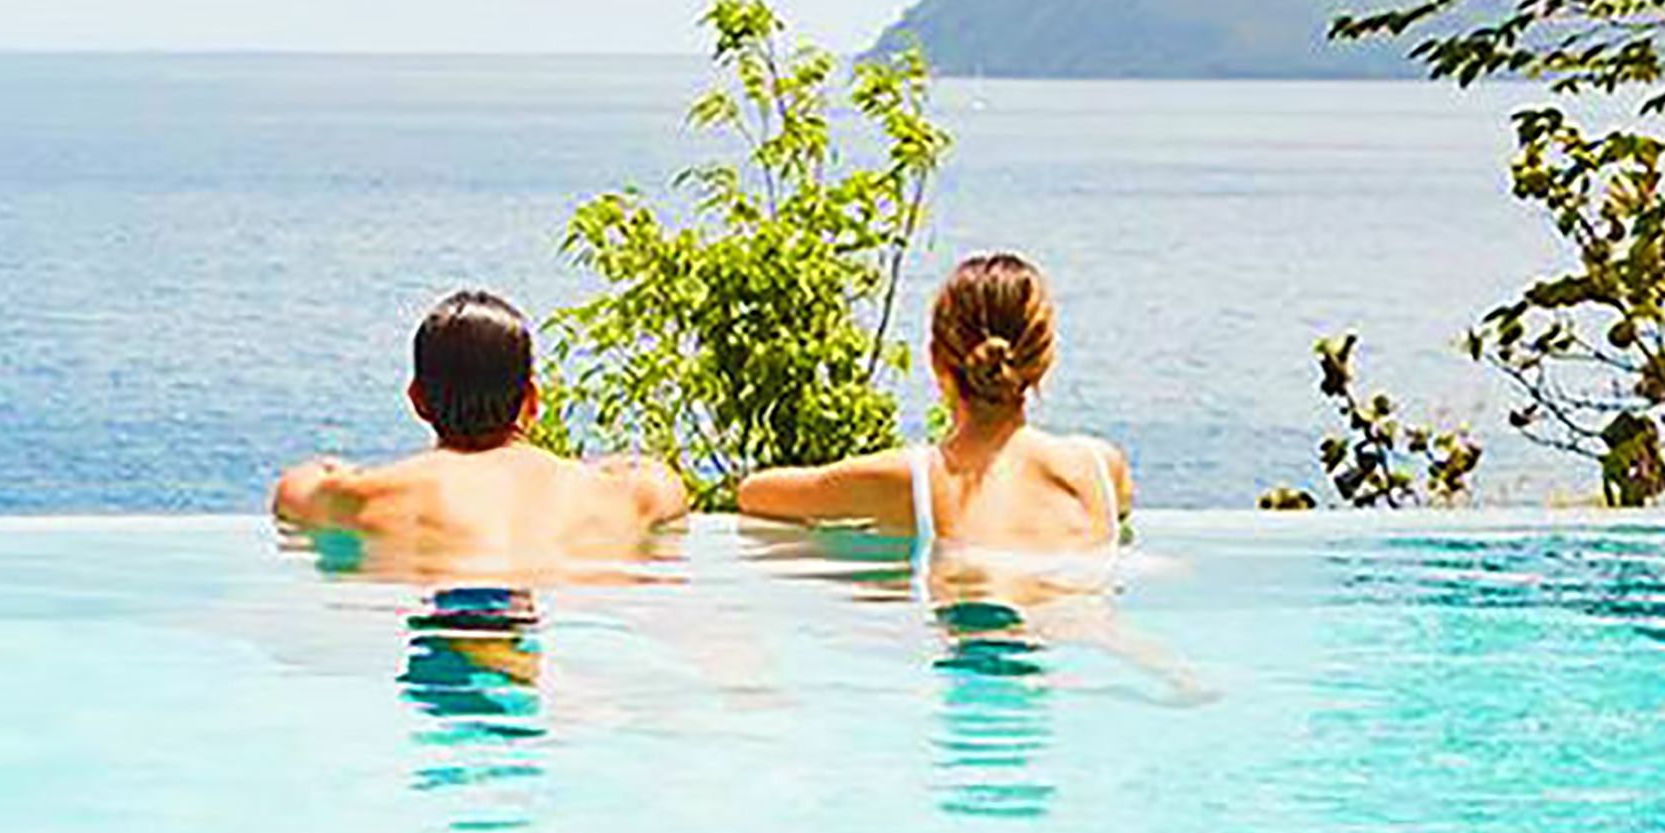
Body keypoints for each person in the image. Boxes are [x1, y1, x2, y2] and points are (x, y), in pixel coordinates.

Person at [736, 252, 1130, 603]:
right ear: (1044, 359)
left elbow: (754, 494)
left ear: (935, 361)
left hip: (972, 662)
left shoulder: (913, 480)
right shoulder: (1102, 469)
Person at [271, 290, 688, 581]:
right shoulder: (626, 496)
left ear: (418, 401)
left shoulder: (359, 498)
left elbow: (295, 488)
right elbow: (662, 481)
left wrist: (352, 473)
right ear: (532, 400)